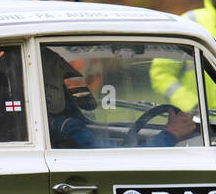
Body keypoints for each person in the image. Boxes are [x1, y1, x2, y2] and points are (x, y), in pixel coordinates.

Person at [44, 47, 199, 148]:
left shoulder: (51, 126)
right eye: (64, 82)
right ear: (50, 87)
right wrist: (170, 134)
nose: (74, 91)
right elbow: (118, 159)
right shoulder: (64, 128)